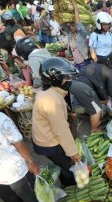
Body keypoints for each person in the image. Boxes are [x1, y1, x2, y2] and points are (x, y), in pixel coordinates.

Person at [33, 57, 80, 187]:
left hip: (43, 138)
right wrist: (73, 153)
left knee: (62, 163)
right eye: (67, 77)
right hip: (49, 144)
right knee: (67, 165)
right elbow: (61, 130)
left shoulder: (45, 91)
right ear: (57, 79)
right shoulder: (52, 100)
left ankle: (67, 180)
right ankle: (71, 186)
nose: (69, 79)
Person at [0, 111, 42, 202]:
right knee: (35, 200)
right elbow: (17, 142)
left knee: (17, 201)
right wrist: (30, 162)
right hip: (15, 173)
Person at [72, 55, 112, 132]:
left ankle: (84, 114)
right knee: (96, 109)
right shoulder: (110, 71)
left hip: (75, 85)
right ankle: (94, 129)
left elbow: (100, 87)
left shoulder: (95, 64)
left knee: (95, 103)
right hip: (84, 89)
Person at [67, 0, 90, 72]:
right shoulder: (70, 34)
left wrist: (75, 7)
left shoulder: (82, 34)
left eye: (73, 26)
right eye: (70, 26)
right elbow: (62, 23)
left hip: (84, 62)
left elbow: (78, 23)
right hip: (76, 62)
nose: (71, 27)